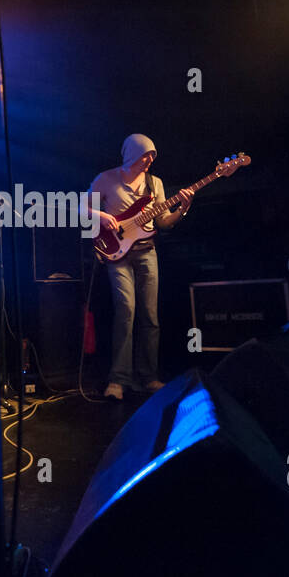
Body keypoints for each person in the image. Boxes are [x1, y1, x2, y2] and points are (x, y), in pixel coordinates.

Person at [88, 134, 195, 401]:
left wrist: (182, 208)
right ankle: (118, 380)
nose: (150, 160)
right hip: (117, 253)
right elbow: (82, 207)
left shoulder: (154, 183)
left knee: (150, 315)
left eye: (152, 156)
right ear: (133, 154)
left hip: (147, 251)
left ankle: (148, 377)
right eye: (146, 155)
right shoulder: (106, 179)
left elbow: (164, 223)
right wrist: (103, 216)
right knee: (126, 311)